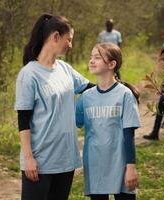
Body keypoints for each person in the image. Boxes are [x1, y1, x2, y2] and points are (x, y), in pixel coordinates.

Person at [15, 13, 93, 200]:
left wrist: (119, 86)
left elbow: (91, 90)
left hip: (65, 160)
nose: (71, 45)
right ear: (56, 37)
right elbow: (23, 119)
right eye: (69, 39)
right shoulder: (29, 74)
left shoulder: (65, 69)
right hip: (40, 162)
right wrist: (28, 159)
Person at [76, 42, 140, 200]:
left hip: (121, 165)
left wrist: (131, 167)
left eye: (97, 57)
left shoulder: (124, 95)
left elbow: (129, 135)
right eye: (91, 57)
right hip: (95, 165)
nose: (91, 60)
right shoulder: (86, 97)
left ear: (112, 64)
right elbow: (71, 125)